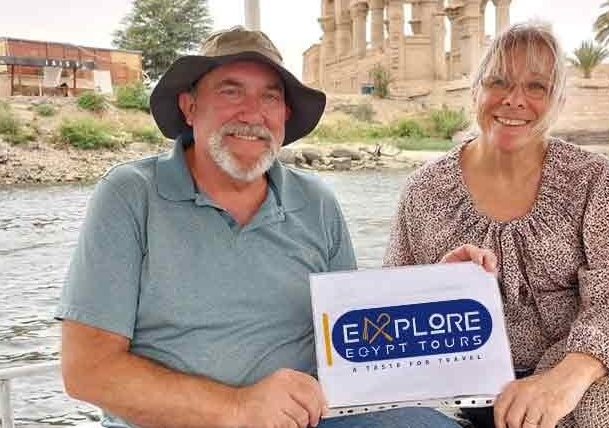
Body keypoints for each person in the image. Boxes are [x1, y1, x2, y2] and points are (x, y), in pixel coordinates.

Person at [57, 26, 461, 428]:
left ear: (284, 113)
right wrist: (237, 408)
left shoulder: (316, 201)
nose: (253, 113)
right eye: (230, 91)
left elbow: (352, 341)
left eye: (270, 95)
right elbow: (88, 370)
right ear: (189, 106)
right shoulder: (130, 195)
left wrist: (439, 293)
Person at [384, 22, 609, 428]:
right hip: (476, 387)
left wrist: (566, 378)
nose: (515, 100)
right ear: (475, 91)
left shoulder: (590, 178)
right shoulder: (424, 190)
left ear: (557, 101)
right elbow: (392, 313)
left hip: (590, 366)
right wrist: (437, 286)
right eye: (498, 81)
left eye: (537, 87)